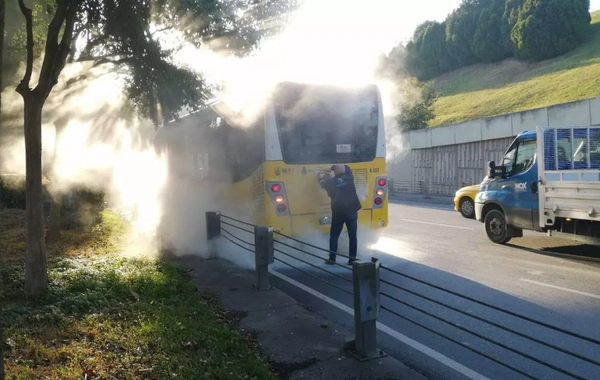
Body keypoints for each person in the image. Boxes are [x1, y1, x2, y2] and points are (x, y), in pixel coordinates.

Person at [318, 164, 362, 265]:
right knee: (353, 236)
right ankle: (352, 259)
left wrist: (323, 175)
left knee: (334, 236)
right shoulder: (349, 177)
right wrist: (335, 167)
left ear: (335, 172)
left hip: (338, 212)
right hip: (351, 211)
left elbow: (321, 182)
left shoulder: (330, 182)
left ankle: (332, 259)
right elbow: (346, 167)